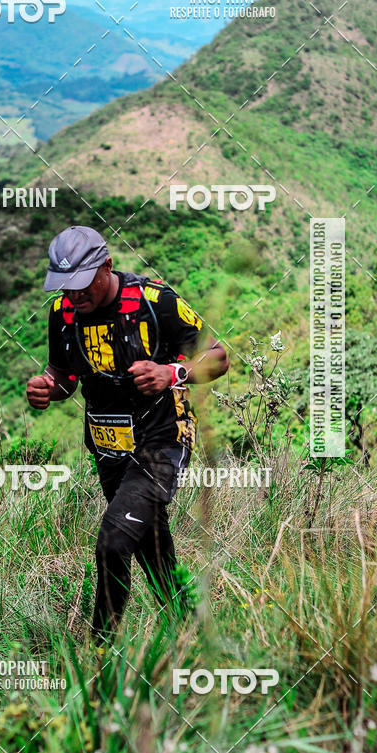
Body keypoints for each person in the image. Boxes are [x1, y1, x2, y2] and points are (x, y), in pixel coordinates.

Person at [26, 225, 229, 643]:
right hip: (108, 446)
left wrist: (171, 373)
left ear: (107, 266)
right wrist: (47, 387)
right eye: (66, 286)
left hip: (161, 440)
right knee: (151, 546)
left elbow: (219, 357)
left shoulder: (155, 301)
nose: (75, 294)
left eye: (83, 283)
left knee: (113, 542)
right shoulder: (63, 312)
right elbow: (63, 375)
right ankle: (189, 630)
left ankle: (100, 651)